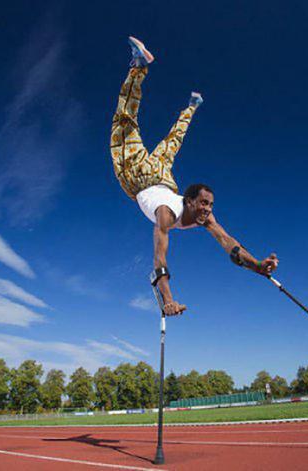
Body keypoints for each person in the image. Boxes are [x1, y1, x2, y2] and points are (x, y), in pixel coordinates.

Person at [110, 37, 279, 316]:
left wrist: (258, 266)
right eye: (203, 204)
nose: (208, 210)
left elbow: (230, 245)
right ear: (188, 201)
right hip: (138, 177)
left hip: (163, 178)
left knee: (174, 141)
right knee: (124, 123)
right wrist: (167, 299)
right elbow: (159, 256)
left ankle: (191, 106)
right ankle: (139, 67)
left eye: (210, 205)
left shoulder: (202, 217)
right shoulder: (166, 213)